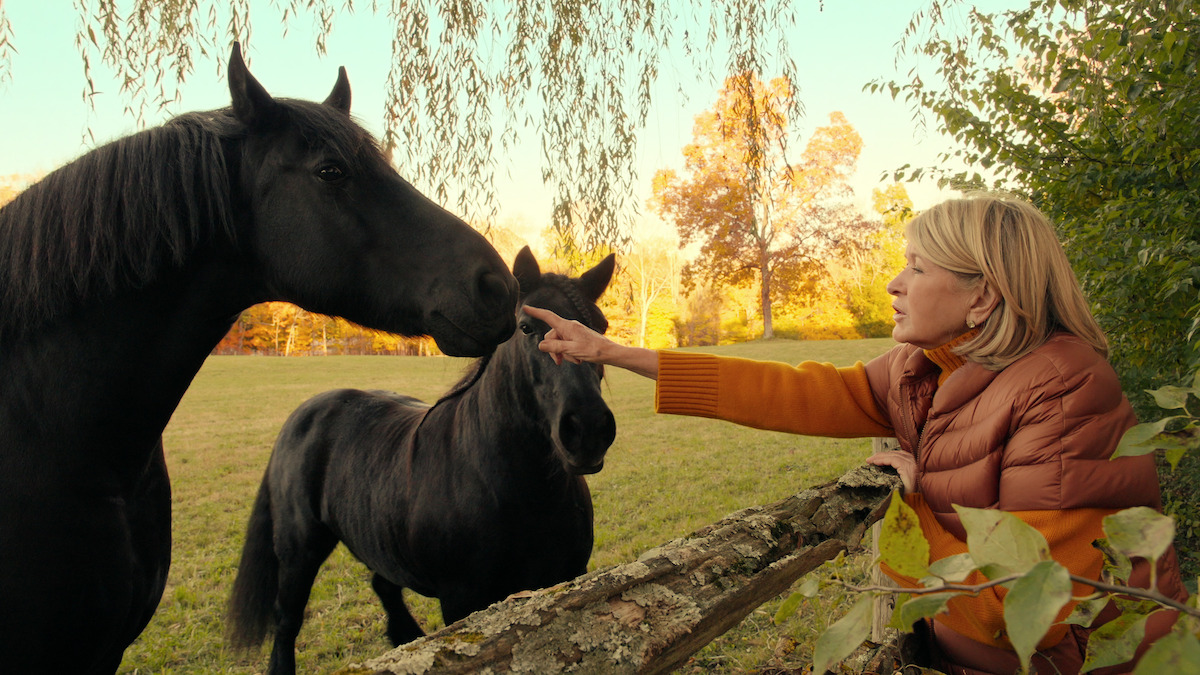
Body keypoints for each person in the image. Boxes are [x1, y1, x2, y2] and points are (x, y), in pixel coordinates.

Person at [524, 194, 1187, 675]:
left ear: (983, 297)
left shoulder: (1065, 391)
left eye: (919, 268)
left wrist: (914, 506)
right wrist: (612, 352)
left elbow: (1025, 613)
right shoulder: (922, 370)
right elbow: (792, 392)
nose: (894, 284)